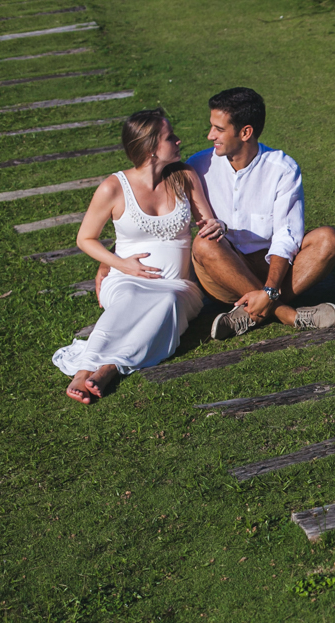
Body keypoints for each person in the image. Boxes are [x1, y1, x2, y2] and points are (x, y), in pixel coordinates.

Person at [54, 108, 224, 404]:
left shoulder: (184, 176)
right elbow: (85, 238)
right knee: (129, 299)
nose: (179, 141)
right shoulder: (114, 187)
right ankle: (85, 370)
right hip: (125, 278)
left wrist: (215, 226)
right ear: (150, 147)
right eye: (170, 137)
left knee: (166, 303)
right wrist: (120, 265)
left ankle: (108, 367)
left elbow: (208, 220)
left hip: (177, 287)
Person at [187, 87, 335, 339]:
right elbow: (163, 214)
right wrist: (110, 261)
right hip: (222, 274)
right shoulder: (197, 166)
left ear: (245, 132)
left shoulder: (282, 168)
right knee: (205, 244)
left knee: (329, 240)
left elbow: (287, 234)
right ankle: (287, 315)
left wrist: (269, 289)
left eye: (218, 129)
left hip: (272, 272)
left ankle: (251, 311)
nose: (209, 135)